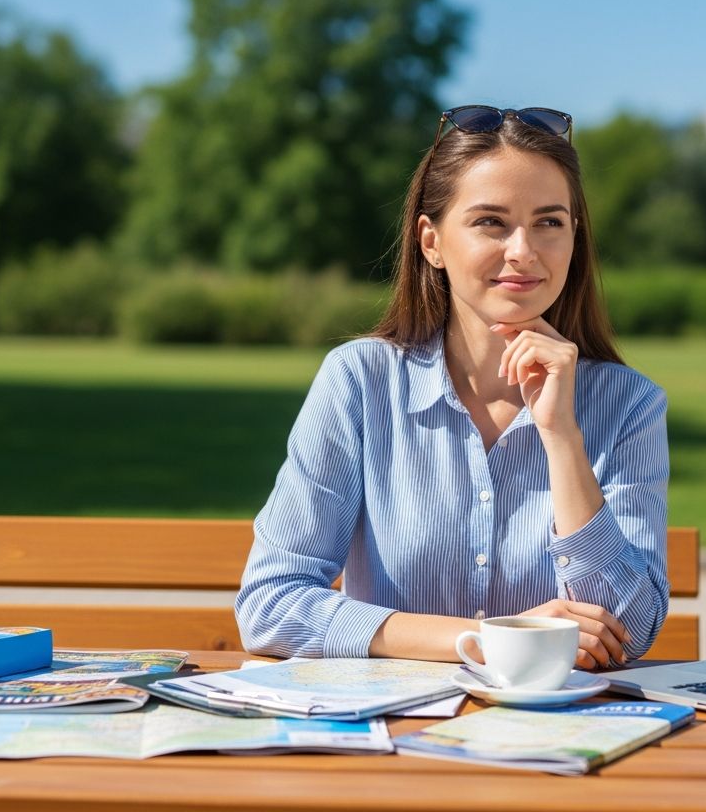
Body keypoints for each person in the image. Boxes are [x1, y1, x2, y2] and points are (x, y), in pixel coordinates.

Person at [235, 105, 669, 670]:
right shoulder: (360, 382)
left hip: (557, 738)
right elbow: (270, 603)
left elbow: (626, 629)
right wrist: (490, 641)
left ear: (574, 238)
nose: (524, 251)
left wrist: (562, 438)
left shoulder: (628, 403)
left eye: (549, 221)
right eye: (491, 222)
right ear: (431, 241)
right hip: (393, 736)